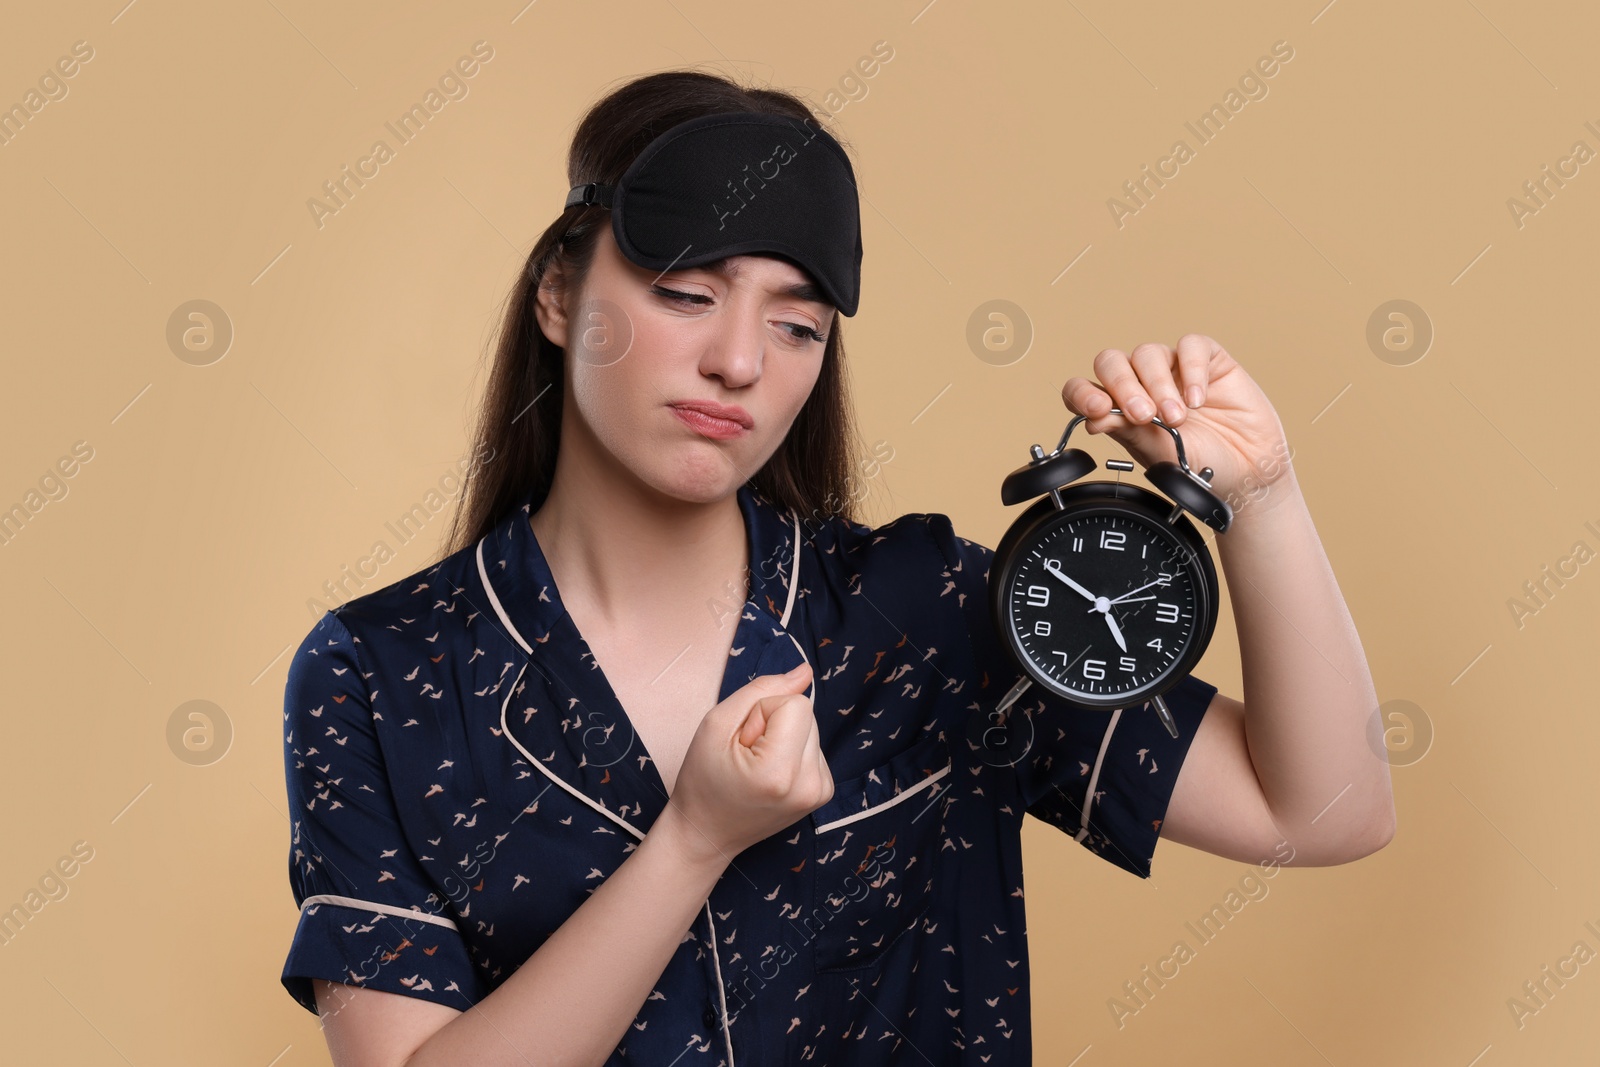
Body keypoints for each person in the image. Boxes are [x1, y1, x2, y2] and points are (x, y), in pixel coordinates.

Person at [277, 69, 1396, 1067]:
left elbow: (1327, 809)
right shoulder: (379, 669)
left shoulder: (928, 612)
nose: (738, 360)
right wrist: (694, 841)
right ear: (561, 295)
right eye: (685, 293)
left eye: (799, 325)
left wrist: (1262, 497)